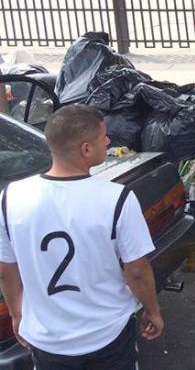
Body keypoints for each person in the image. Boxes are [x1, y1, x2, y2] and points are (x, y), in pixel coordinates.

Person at [0, 105, 162, 367]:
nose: (108, 141)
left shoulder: (10, 197)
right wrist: (152, 311)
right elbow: (137, 270)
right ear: (86, 149)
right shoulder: (117, 198)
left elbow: (7, 270)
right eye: (103, 137)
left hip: (47, 340)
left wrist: (17, 315)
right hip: (108, 335)